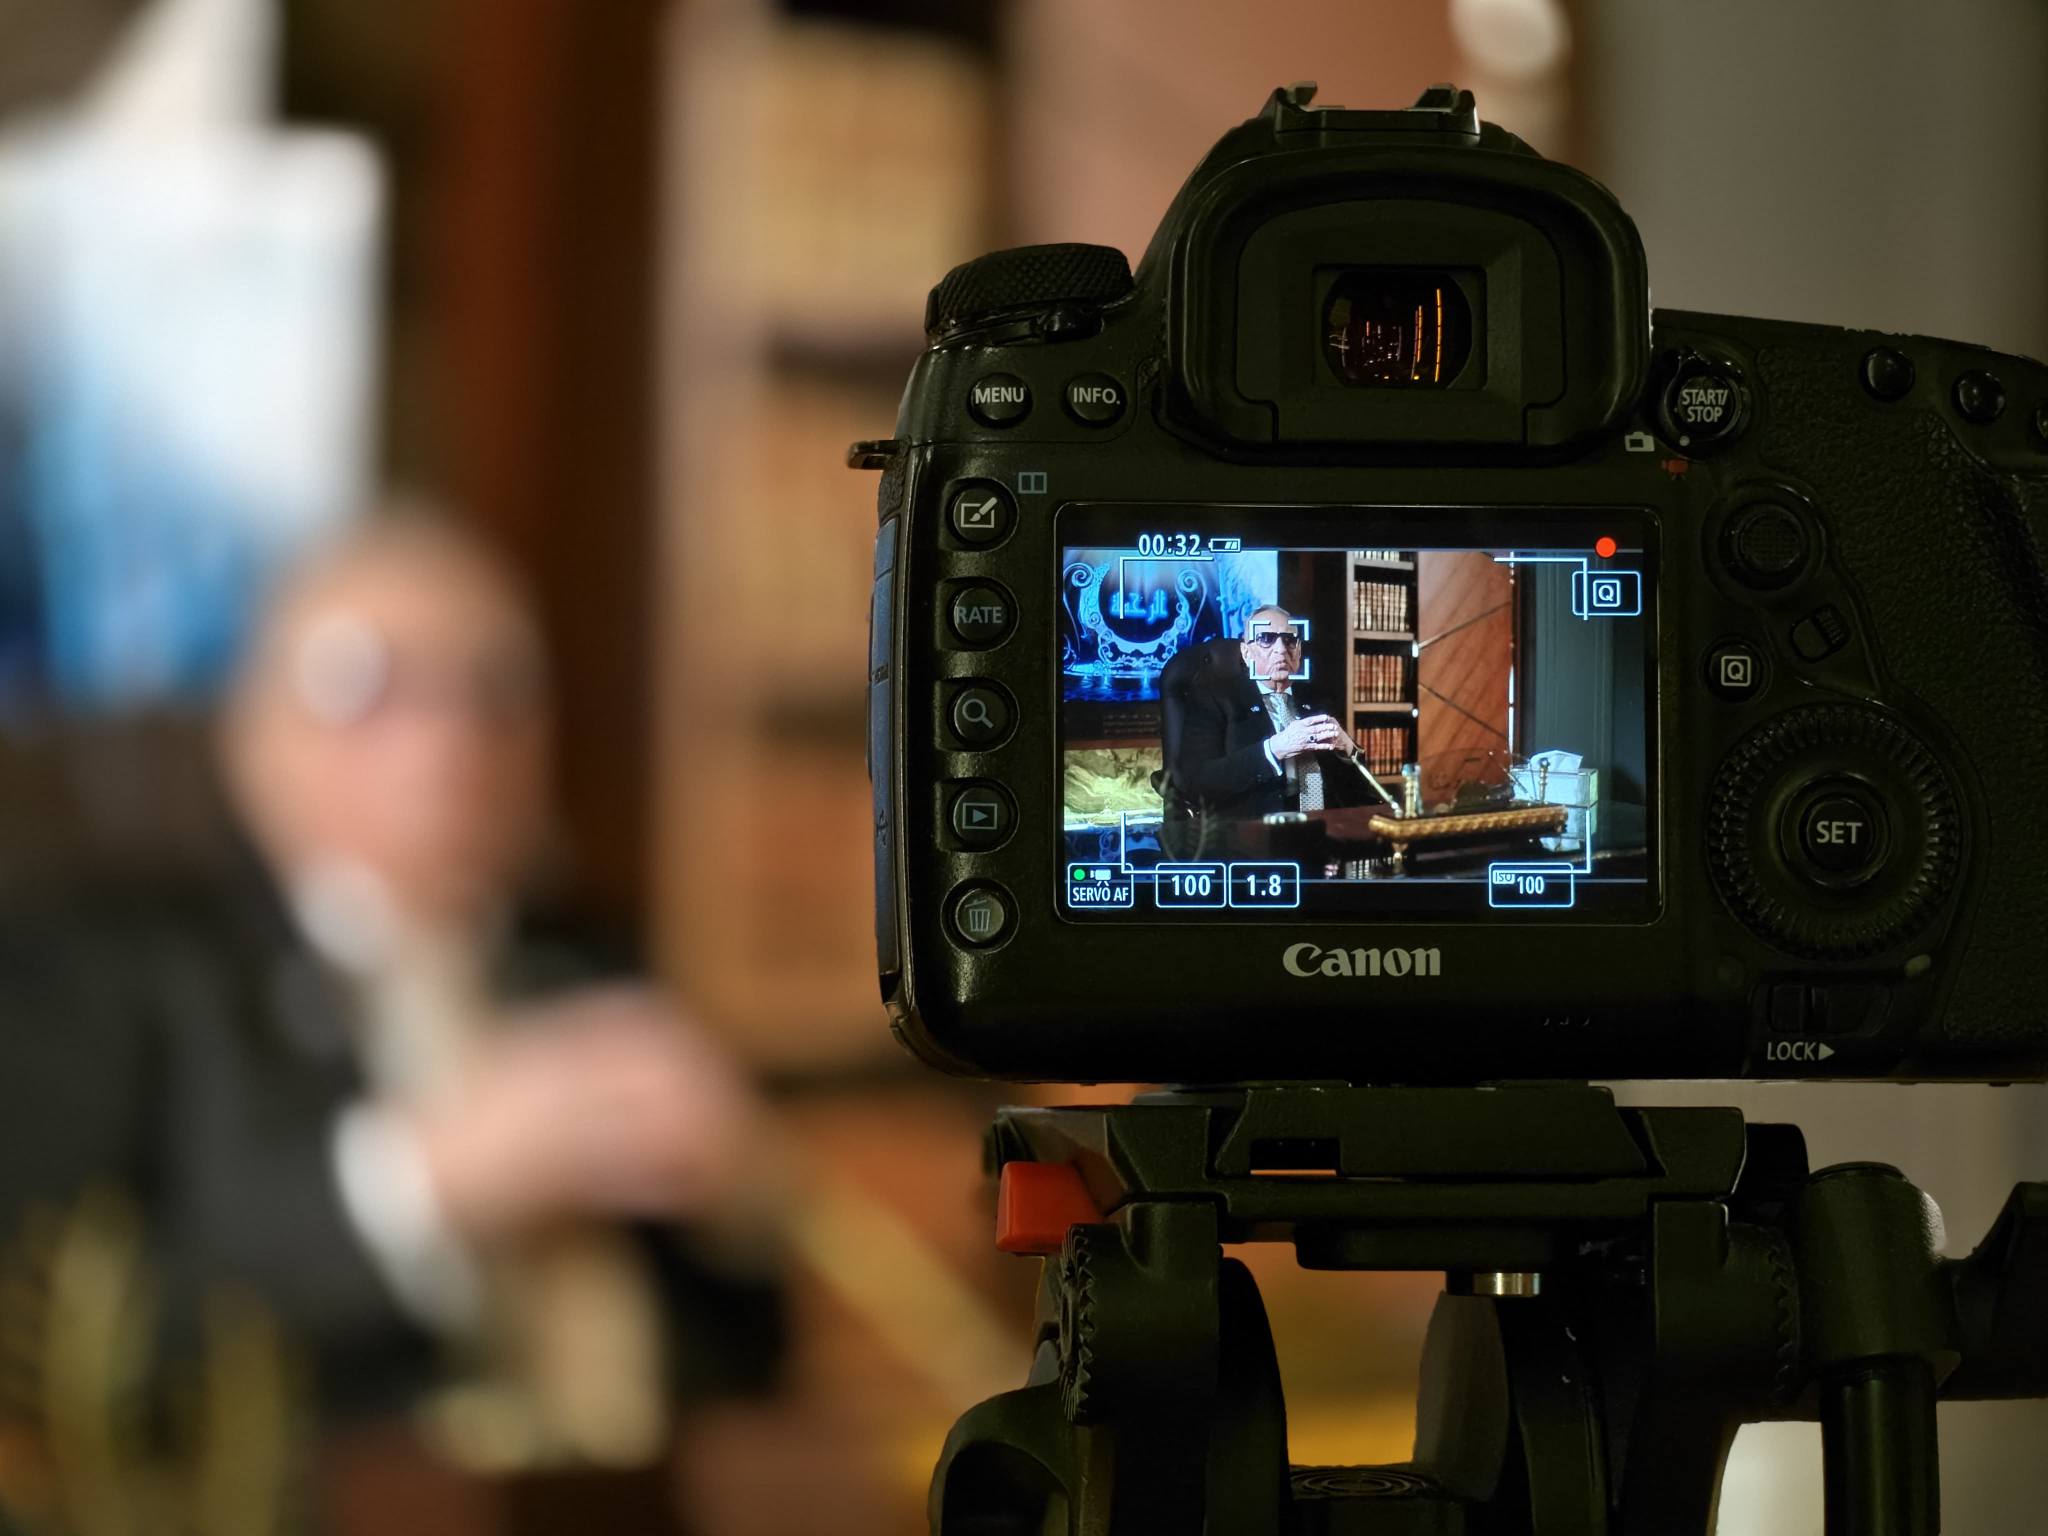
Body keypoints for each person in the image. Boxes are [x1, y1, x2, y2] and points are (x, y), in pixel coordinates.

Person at [0, 514, 784, 1474]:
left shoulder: (596, 966)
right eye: (363, 683)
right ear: (252, 730)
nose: (448, 736)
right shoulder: (103, 970)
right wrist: (422, 1184)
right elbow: (51, 1352)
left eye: (496, 688)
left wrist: (741, 1207)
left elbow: (742, 1367)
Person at [1173, 604, 1383, 820]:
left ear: (1299, 650)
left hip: (1327, 825)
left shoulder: (1317, 699)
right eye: (1266, 639)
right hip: (1257, 828)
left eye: (1290, 640)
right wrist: (1274, 750)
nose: (1281, 650)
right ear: (1246, 652)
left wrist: (1347, 748)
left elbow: (1359, 790)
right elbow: (1196, 781)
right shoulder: (1214, 697)